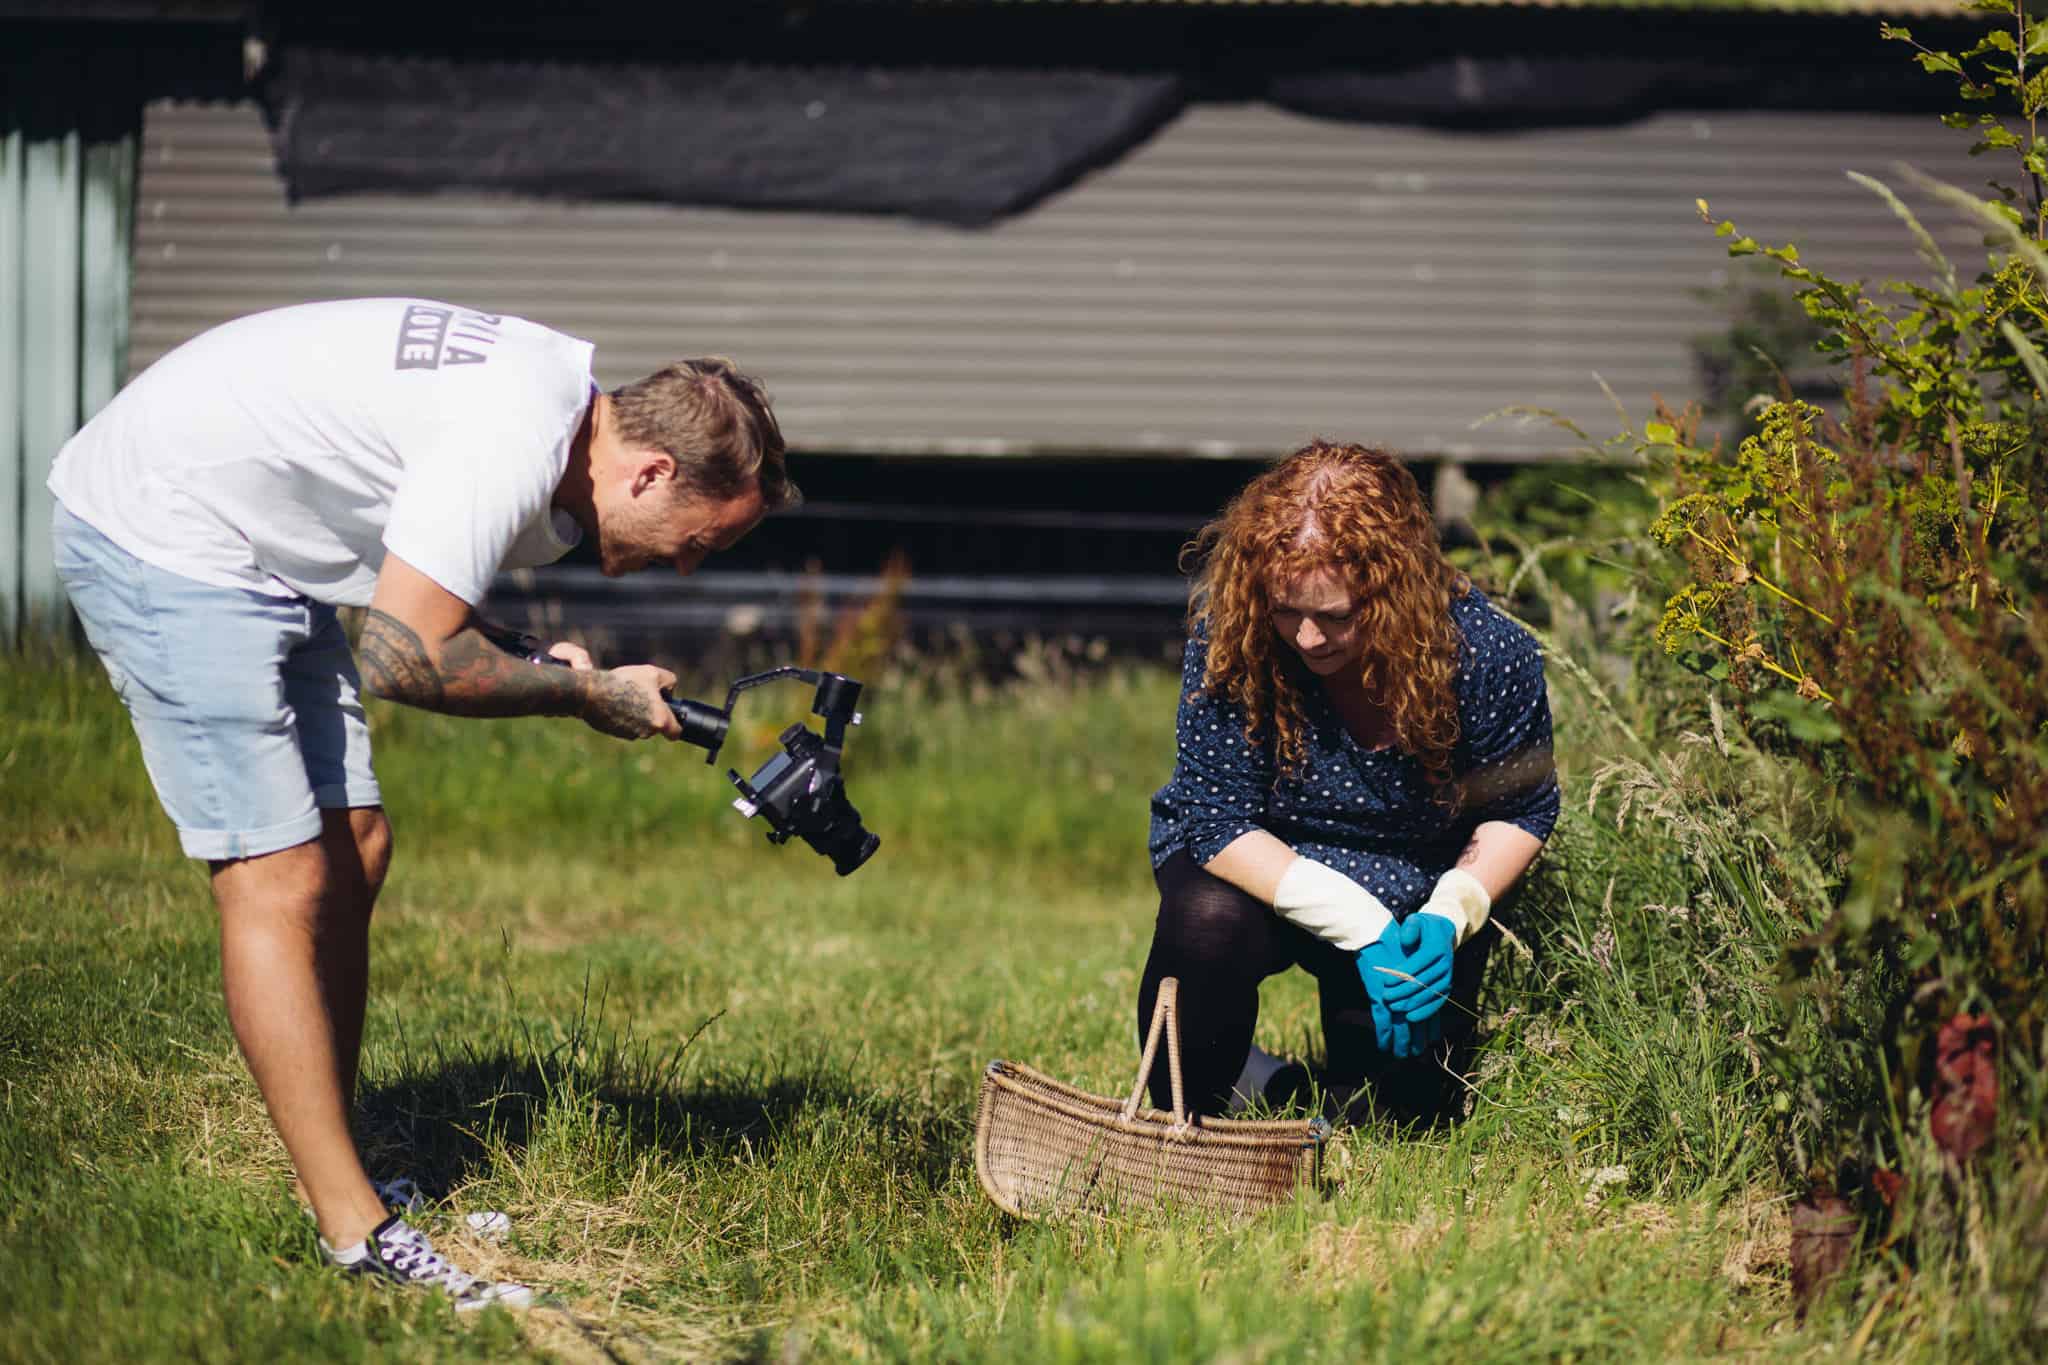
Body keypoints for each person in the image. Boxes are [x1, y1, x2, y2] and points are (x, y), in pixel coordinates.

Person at [46, 297, 796, 1310]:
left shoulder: (550, 415)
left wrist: (533, 661)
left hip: (262, 545)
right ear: (652, 471)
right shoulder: (516, 433)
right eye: (700, 539)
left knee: (354, 843)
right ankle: (355, 1230)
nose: (689, 562)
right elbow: (402, 659)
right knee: (278, 872)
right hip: (166, 529)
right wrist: (580, 692)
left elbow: (425, 579)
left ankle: (338, 1164)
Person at [1142, 440, 1558, 1127]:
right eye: (1286, 609)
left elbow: (1523, 807)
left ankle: (1282, 1084)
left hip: (1412, 884)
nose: (1307, 638)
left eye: (1337, 615)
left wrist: (1450, 912)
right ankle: (1192, 1099)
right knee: (1202, 923)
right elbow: (1217, 822)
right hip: (1259, 872)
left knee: (1406, 1114)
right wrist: (1361, 926)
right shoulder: (1233, 635)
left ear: (1398, 588)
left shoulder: (1486, 651)